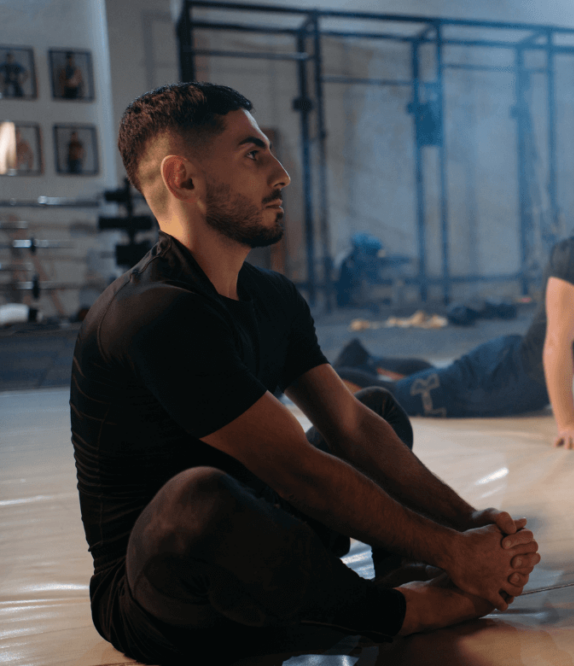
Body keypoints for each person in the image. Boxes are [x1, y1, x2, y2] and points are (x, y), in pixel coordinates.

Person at [70, 82, 540, 666]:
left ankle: (405, 571)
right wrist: (457, 551)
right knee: (201, 499)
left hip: (265, 530)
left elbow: (349, 426)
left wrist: (466, 523)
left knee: (377, 408)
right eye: (253, 154)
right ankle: (404, 611)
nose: (282, 172)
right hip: (169, 589)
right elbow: (295, 468)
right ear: (182, 179)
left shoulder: (271, 295)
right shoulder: (153, 313)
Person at [334, 158, 574, 449]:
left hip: (517, 376)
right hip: (497, 380)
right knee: (396, 397)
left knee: (437, 377)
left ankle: (367, 358)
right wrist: (568, 425)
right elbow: (557, 341)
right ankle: (308, 379)